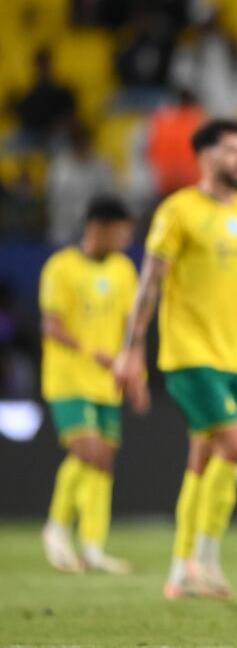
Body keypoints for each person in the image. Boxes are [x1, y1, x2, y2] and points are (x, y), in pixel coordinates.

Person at [114, 119, 237, 601]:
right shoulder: (178, 211)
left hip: (232, 356)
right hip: (190, 354)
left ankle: (180, 569)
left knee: (203, 459)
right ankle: (203, 560)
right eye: (231, 150)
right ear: (204, 155)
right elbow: (150, 283)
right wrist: (131, 349)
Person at [39, 197, 147, 574]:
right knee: (87, 451)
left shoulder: (123, 271)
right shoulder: (61, 268)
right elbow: (52, 326)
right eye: (122, 231)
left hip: (108, 382)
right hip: (68, 378)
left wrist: (138, 376)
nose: (127, 238)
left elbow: (132, 331)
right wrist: (93, 353)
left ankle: (93, 547)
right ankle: (55, 529)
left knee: (103, 460)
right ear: (97, 228)